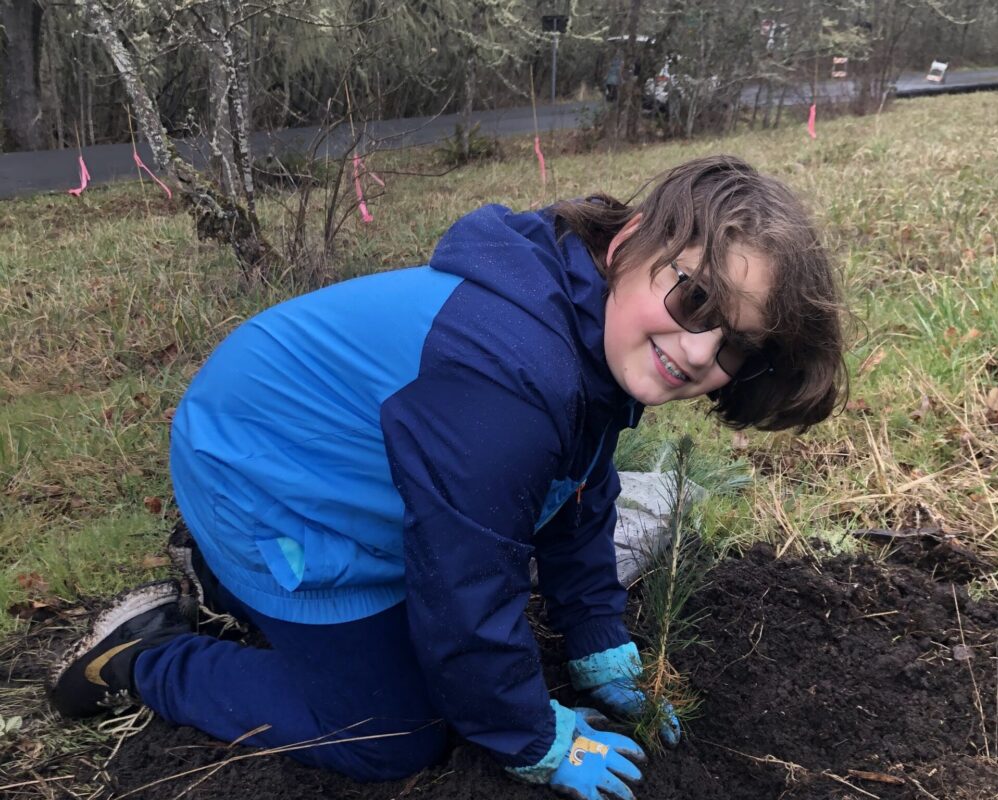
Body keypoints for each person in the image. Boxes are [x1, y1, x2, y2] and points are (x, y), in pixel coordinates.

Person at [50, 155, 847, 799]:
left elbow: (575, 491)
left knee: (446, 627)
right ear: (632, 238)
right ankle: (142, 660)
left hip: (312, 451)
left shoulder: (578, 321)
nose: (703, 352)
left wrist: (599, 638)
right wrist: (533, 740)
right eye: (696, 296)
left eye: (737, 346)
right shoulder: (508, 374)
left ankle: (222, 581)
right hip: (258, 473)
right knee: (393, 734)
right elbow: (465, 592)